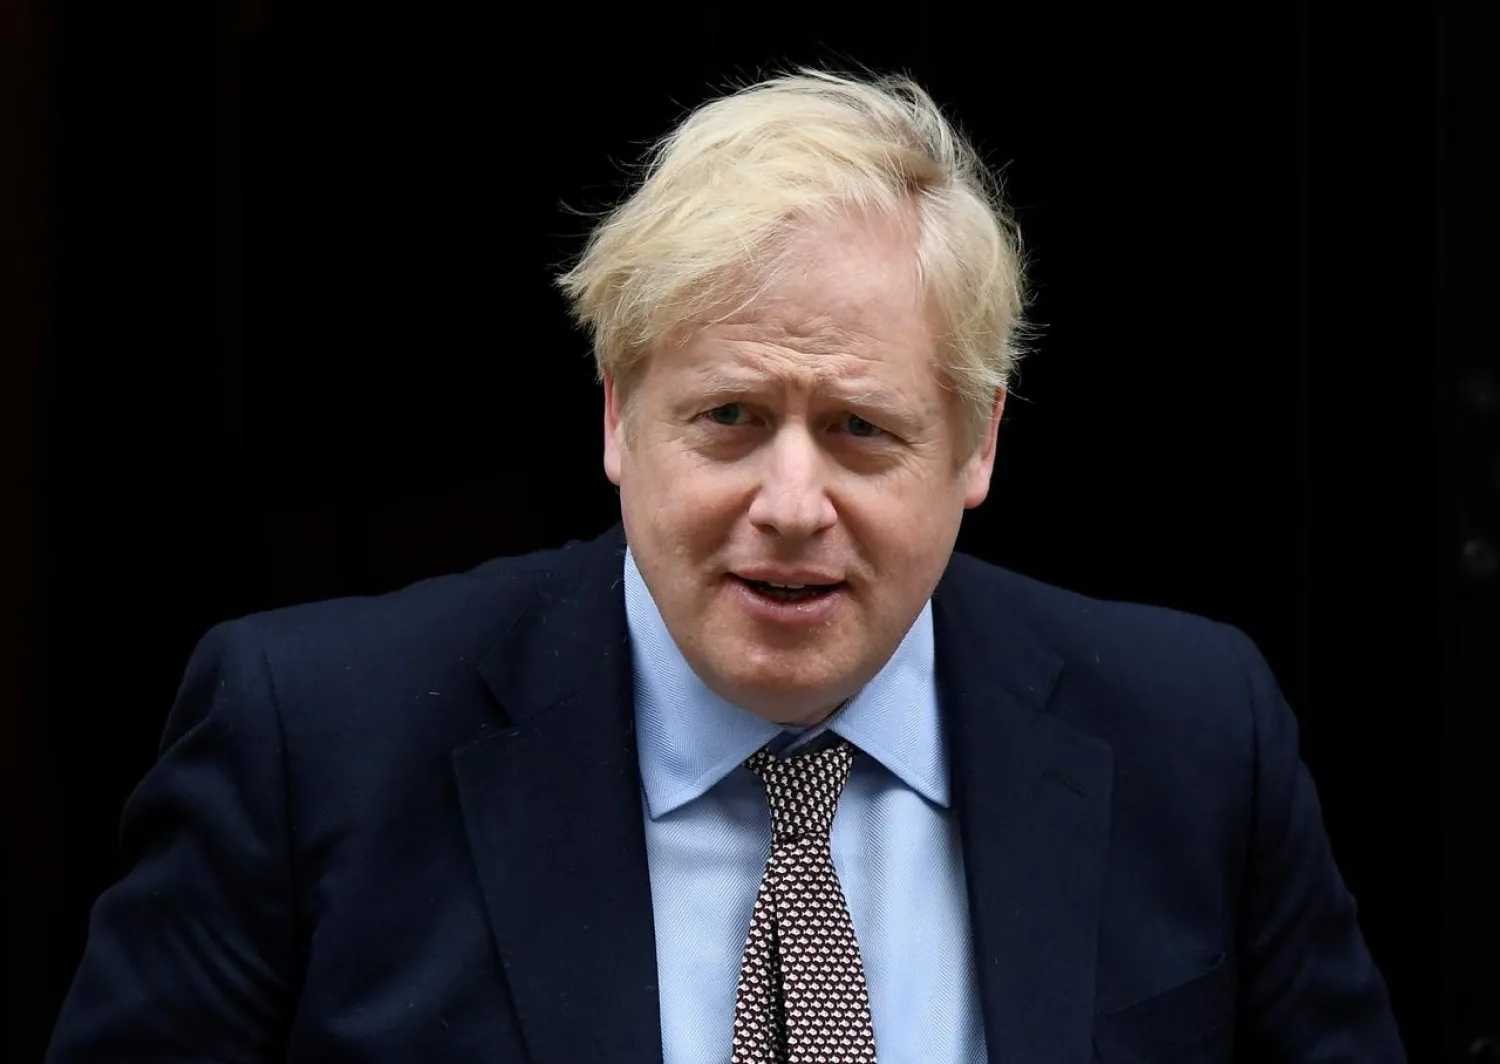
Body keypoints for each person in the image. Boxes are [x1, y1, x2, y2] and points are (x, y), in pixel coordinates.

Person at [48, 69, 1406, 1063]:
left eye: (863, 431)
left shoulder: (1190, 734)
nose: (792, 503)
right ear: (617, 418)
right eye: (731, 420)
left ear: (979, 443)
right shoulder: (316, 743)